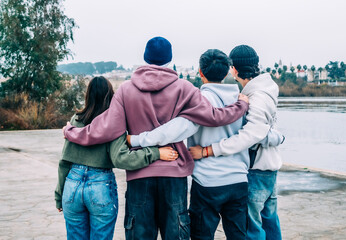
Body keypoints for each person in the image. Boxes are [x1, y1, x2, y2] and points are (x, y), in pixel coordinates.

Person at [63, 37, 249, 240]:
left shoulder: (126, 90)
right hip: (174, 176)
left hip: (139, 176)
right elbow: (215, 117)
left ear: (145, 57)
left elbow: (106, 126)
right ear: (170, 58)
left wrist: (73, 132)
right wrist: (241, 105)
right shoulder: (185, 89)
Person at [128, 49, 284, 240]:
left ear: (201, 72)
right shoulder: (243, 99)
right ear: (228, 72)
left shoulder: (198, 100)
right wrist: (279, 137)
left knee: (201, 236)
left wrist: (137, 139)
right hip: (238, 182)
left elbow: (177, 129)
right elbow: (259, 132)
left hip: (207, 183)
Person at [55, 76, 178, 240]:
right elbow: (122, 159)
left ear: (88, 95)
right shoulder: (113, 123)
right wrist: (156, 153)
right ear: (111, 95)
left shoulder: (74, 121)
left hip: (72, 186)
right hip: (100, 185)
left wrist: (59, 195)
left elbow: (64, 162)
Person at [190, 45, 283, 240]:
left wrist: (207, 150)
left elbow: (252, 134)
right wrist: (278, 137)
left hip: (252, 170)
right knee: (267, 223)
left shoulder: (252, 97)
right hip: (255, 173)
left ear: (233, 69)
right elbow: (265, 132)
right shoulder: (249, 95)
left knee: (254, 228)